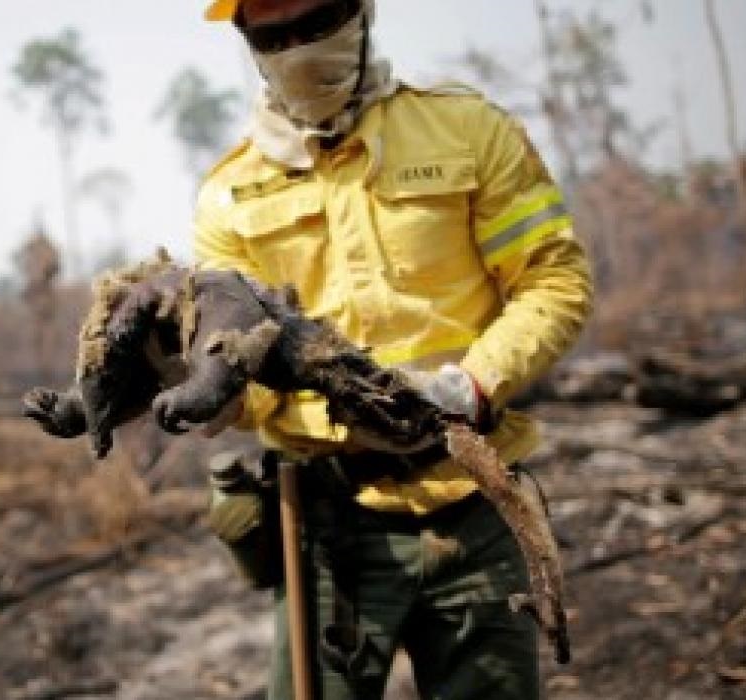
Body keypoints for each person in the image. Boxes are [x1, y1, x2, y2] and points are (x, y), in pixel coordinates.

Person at [194, 0, 593, 697]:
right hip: (325, 525)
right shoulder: (227, 197)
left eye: (316, 22)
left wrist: (471, 383)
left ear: (361, 12)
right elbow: (240, 372)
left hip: (475, 500)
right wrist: (216, 393)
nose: (298, 48)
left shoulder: (467, 131)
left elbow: (553, 279)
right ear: (247, 40)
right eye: (274, 34)